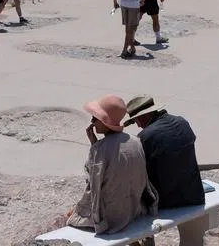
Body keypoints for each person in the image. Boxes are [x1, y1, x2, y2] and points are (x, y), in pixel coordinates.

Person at [61, 94, 157, 234]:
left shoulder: (100, 148)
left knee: (66, 218)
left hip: (112, 217)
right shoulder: (135, 141)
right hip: (134, 208)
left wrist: (94, 145)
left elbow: (93, 188)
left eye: (95, 118)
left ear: (105, 122)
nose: (92, 122)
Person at [124, 95, 206, 245]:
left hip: (166, 202)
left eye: (136, 120)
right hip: (194, 195)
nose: (137, 125)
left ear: (145, 115)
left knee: (128, 204)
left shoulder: (145, 136)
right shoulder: (182, 122)